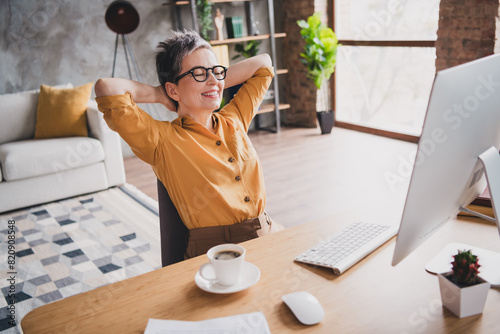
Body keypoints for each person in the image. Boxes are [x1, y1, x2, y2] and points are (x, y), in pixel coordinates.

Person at [94, 30, 282, 259]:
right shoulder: (161, 140)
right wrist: (161, 94)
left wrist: (212, 83)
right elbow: (106, 88)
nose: (213, 78)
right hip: (217, 255)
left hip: (269, 235)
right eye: (199, 73)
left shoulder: (234, 118)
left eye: (216, 71)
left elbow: (263, 64)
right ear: (172, 88)